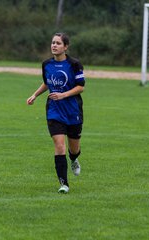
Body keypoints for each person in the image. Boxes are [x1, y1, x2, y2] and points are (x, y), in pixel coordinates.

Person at [27, 33, 85, 194]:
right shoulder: (46, 64)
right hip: (54, 111)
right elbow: (47, 82)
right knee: (60, 146)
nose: (54, 45)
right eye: (53, 42)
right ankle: (64, 184)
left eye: (58, 43)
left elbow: (81, 87)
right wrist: (35, 95)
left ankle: (74, 159)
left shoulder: (75, 64)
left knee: (74, 149)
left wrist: (63, 95)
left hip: (73, 110)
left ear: (65, 47)